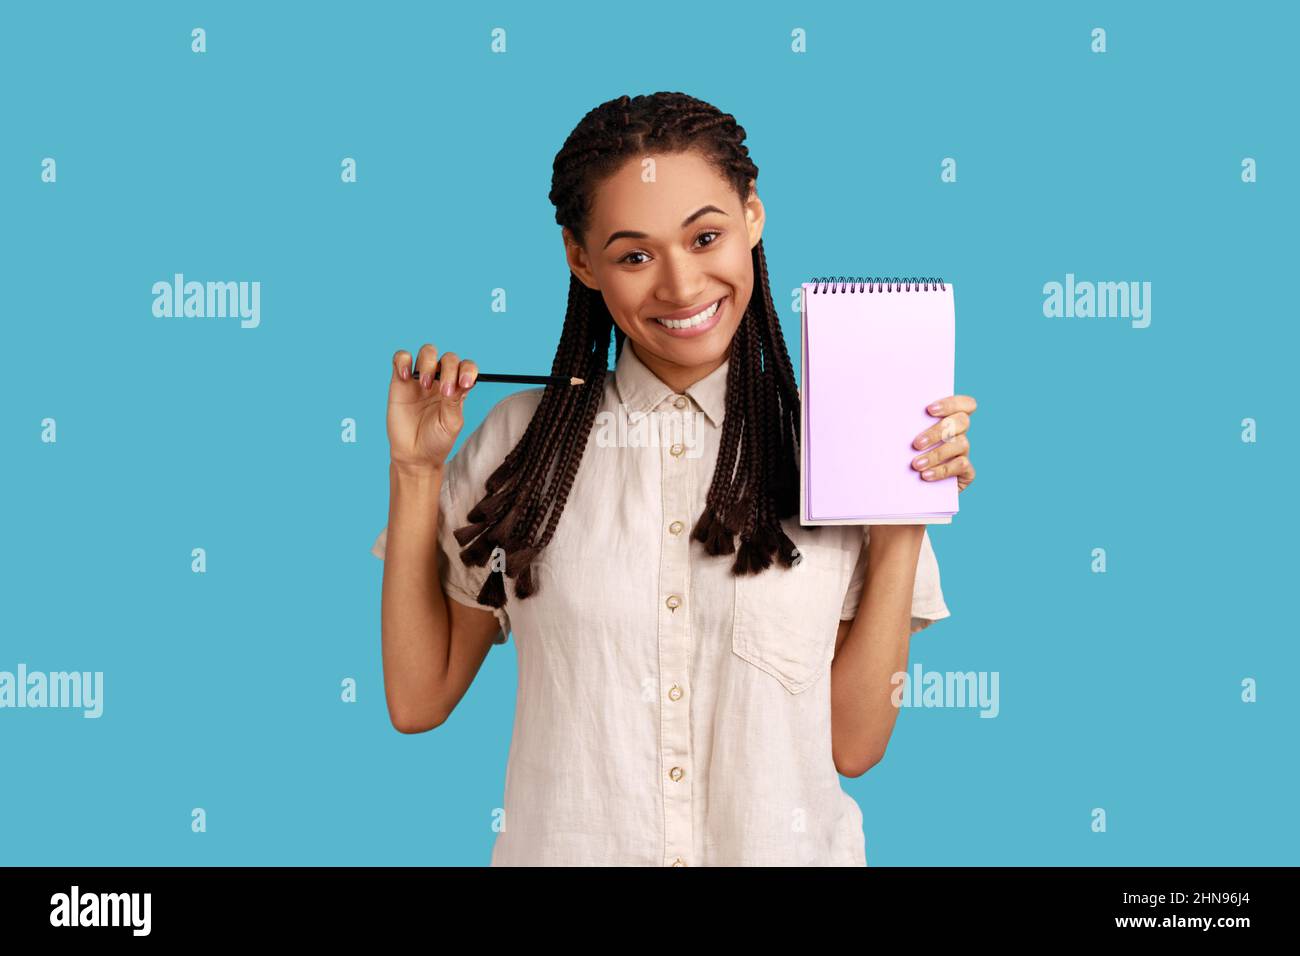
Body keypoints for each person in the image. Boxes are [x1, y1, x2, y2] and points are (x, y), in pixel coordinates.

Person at [372, 91, 979, 866]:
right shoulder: (518, 445)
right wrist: (415, 471)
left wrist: (900, 520)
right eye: (634, 255)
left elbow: (854, 745)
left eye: (706, 237)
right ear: (581, 260)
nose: (682, 286)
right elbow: (419, 700)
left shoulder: (839, 442)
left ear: (753, 219)